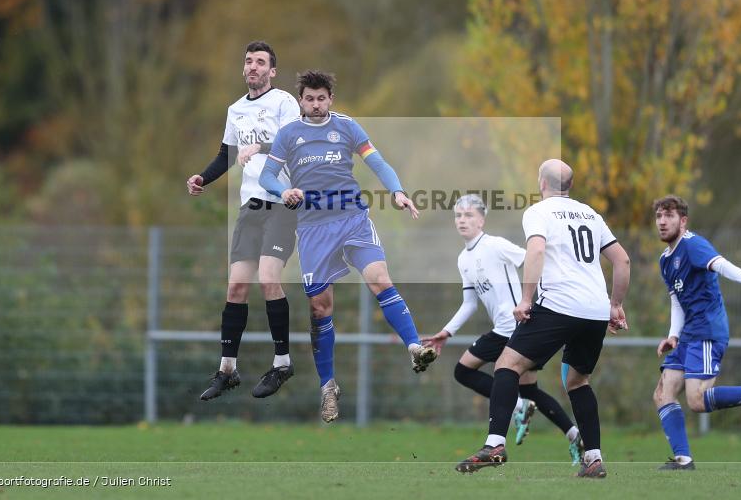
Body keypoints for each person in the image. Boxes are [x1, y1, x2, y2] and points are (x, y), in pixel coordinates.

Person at [259, 70, 437, 422]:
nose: (315, 104)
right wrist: (284, 191)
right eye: (309, 98)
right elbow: (267, 175)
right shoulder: (289, 134)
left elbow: (377, 161)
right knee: (321, 308)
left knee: (379, 278)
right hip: (312, 229)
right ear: (300, 100)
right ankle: (328, 387)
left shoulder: (348, 127)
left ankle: (415, 346)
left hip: (352, 219)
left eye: (321, 98)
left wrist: (398, 192)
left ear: (330, 99)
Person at [456, 159, 630, 478]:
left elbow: (535, 252)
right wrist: (615, 305)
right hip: (594, 309)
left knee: (507, 365)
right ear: (571, 186)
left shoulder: (538, 212)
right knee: (578, 381)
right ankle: (592, 459)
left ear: (542, 183)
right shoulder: (591, 213)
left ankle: (495, 444)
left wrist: (525, 299)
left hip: (559, 304)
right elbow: (622, 259)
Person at [422, 194, 584, 461]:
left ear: (482, 220)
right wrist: (446, 332)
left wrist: (538, 301)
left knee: (463, 370)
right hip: (508, 328)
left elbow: (533, 260)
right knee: (530, 390)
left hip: (512, 327)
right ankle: (573, 434)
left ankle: (518, 408)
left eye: (469, 215)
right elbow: (469, 303)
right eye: (458, 216)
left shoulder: (495, 245)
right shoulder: (464, 259)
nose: (462, 220)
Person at [186, 40, 300, 402]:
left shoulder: (284, 102)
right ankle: (227, 370)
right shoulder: (235, 109)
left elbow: (295, 142)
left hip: (281, 204)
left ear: (272, 71)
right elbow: (225, 155)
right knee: (235, 287)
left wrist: (261, 148)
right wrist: (203, 177)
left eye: (260, 62)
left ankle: (282, 362)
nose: (253, 67)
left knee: (268, 278)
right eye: (248, 61)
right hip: (250, 208)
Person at [651, 195, 741, 471]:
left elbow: (721, 264)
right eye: (658, 216)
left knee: (697, 400)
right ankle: (683, 459)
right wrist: (673, 336)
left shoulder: (693, 245)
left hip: (707, 330)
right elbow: (676, 300)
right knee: (662, 393)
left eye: (668, 216)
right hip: (689, 334)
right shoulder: (665, 260)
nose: (661, 221)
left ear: (683, 221)